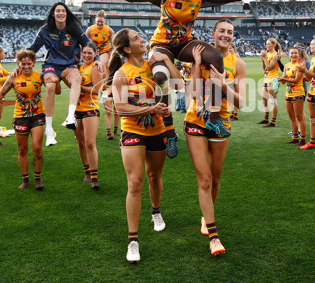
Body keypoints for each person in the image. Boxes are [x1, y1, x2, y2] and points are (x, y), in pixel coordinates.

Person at [93, 0, 277, 157]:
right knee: (161, 77)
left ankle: (214, 118)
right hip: (161, 44)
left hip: (184, 43)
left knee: (215, 57)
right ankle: (169, 130)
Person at [108, 28, 178, 263]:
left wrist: (167, 59)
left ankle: (155, 212)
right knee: (135, 182)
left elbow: (178, 84)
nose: (142, 40)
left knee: (154, 177)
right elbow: (120, 108)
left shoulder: (155, 64)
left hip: (158, 130)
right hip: (133, 131)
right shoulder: (121, 74)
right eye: (136, 39)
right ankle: (133, 241)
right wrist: (151, 108)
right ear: (127, 48)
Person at [184, 19, 246, 257]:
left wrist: (223, 85)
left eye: (230, 32)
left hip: (222, 122)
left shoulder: (237, 63)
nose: (226, 35)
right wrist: (198, 65)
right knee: (205, 180)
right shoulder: (200, 55)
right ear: (213, 33)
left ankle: (204, 215)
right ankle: (213, 236)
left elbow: (240, 101)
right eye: (222, 31)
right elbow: (192, 93)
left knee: (216, 179)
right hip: (196, 121)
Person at [27, 2, 96, 146]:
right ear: (53, 14)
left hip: (70, 65)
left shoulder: (74, 28)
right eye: (58, 11)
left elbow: (88, 43)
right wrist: (20, 62)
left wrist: (98, 59)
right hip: (51, 65)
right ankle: (49, 130)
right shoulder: (45, 30)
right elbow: (32, 49)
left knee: (77, 79)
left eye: (63, 11)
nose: (61, 13)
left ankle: (70, 117)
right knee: (51, 87)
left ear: (66, 14)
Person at [0, 50, 45, 190]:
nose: (26, 66)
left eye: (29, 63)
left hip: (37, 116)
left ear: (33, 63)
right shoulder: (14, 78)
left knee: (37, 148)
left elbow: (56, 91)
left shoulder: (40, 77)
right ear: (18, 63)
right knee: (22, 150)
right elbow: (0, 94)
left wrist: (54, 80)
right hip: (20, 118)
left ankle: (38, 179)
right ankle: (25, 180)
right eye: (23, 64)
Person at [74, 43, 103, 189]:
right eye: (84, 53)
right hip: (76, 109)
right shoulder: (78, 67)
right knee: (80, 143)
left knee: (90, 143)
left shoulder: (95, 67)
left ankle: (94, 177)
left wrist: (79, 87)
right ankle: (86, 172)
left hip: (90, 108)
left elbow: (97, 90)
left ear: (95, 54)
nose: (86, 55)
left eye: (89, 53)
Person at [298, 38, 315, 150]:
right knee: (313, 119)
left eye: (312, 44)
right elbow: (309, 77)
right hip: (311, 91)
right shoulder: (314, 59)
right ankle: (313, 142)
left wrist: (305, 70)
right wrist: (300, 73)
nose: (310, 46)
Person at [279, 46, 306, 145]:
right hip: (288, 93)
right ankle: (295, 138)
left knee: (299, 117)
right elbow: (284, 79)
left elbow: (296, 80)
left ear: (298, 54)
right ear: (288, 54)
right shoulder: (286, 65)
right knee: (292, 117)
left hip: (298, 93)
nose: (293, 55)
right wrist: (279, 80)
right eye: (291, 53)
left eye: (295, 53)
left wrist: (284, 79)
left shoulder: (300, 65)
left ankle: (302, 139)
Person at [259, 38, 281, 128]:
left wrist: (264, 58)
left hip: (273, 79)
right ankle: (266, 118)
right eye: (266, 44)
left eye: (268, 44)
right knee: (264, 100)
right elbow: (264, 68)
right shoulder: (268, 54)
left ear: (273, 45)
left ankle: (273, 122)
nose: (267, 45)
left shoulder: (275, 55)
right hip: (266, 78)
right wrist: (262, 58)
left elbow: (270, 68)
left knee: (272, 101)